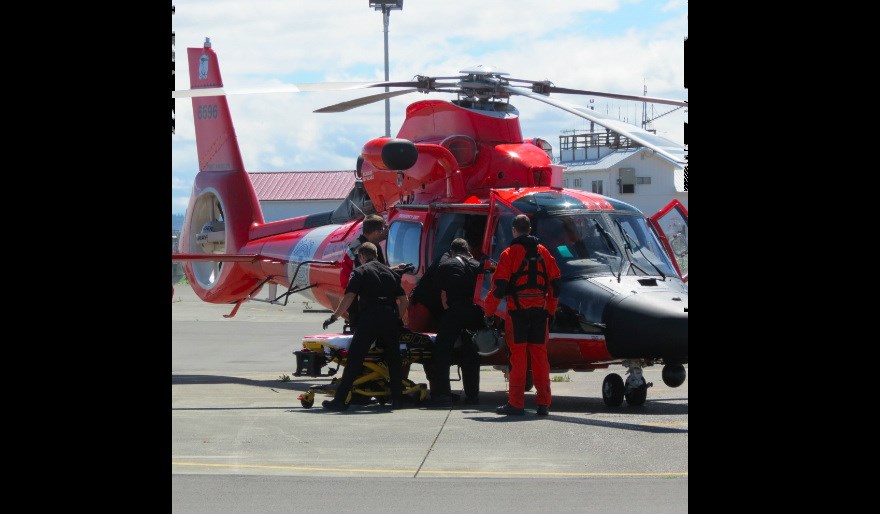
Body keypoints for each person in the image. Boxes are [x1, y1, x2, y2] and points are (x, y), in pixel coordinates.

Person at [483, 214, 561, 416]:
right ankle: (544, 403)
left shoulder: (509, 254)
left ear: (514, 230)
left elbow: (499, 288)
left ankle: (516, 403)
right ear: (529, 230)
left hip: (517, 314)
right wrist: (550, 310)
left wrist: (488, 312)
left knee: (518, 359)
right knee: (540, 358)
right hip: (539, 314)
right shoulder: (544, 252)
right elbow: (555, 285)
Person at [321, 242, 409, 412]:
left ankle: (340, 400)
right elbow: (404, 300)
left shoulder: (360, 271)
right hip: (389, 317)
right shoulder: (390, 273)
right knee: (393, 358)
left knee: (355, 358)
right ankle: (397, 400)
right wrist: (397, 317)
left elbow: (349, 297)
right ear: (375, 254)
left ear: (362, 256)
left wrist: (334, 316)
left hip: (370, 319)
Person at [422, 238, 484, 408]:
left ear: (452, 251)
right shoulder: (477, 264)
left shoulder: (446, 264)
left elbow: (438, 291)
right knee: (471, 354)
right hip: (475, 311)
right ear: (467, 250)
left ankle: (442, 394)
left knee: (442, 351)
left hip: (455, 311)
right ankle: (473, 396)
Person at [339, 214, 406, 330]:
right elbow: (366, 275)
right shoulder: (360, 250)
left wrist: (396, 268)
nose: (387, 231)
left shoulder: (373, 246)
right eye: (385, 228)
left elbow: (377, 269)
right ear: (376, 232)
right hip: (360, 302)